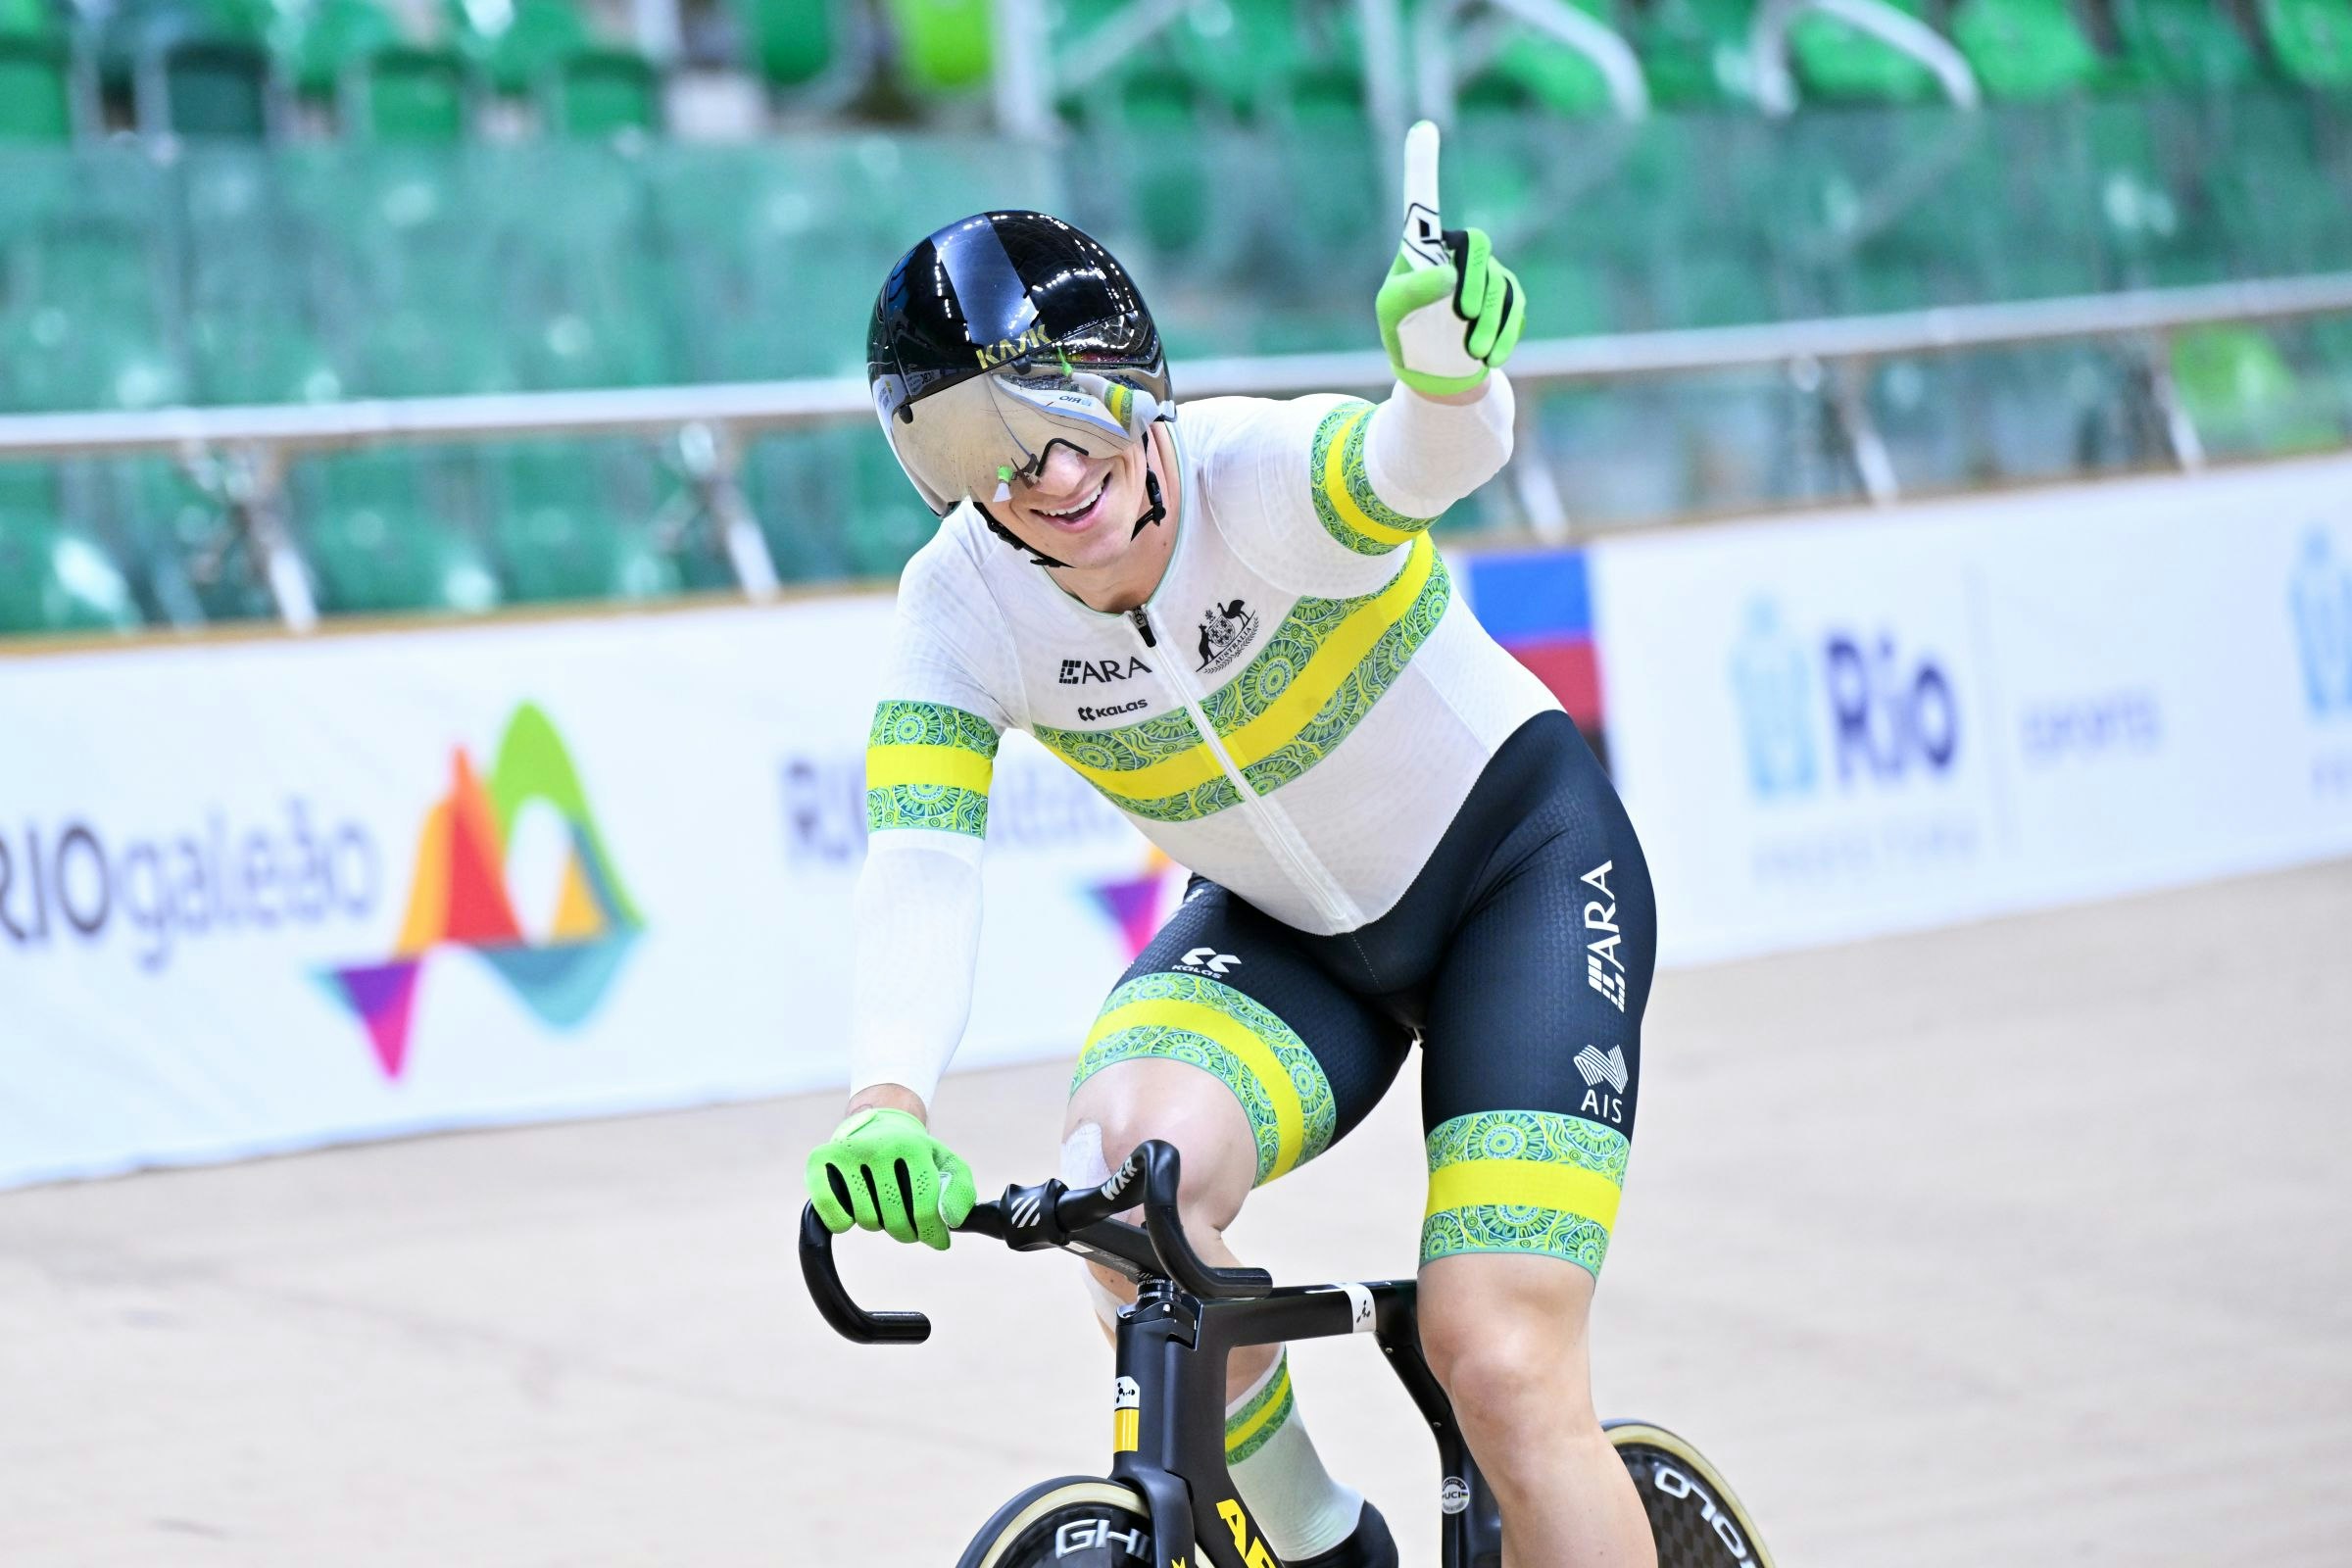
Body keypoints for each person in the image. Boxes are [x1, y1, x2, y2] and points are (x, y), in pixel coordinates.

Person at [808, 129, 1659, 1568]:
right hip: (1286, 928)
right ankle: (1326, 1548)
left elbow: (1420, 457)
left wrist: (1449, 376)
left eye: (1064, 411)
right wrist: (887, 1100)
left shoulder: (1257, 476)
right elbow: (920, 859)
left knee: (1499, 1359)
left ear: (1144, 387)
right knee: (1115, 1189)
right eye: (968, 446)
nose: (1043, 472)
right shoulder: (958, 608)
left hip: (1519, 870)